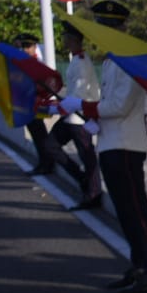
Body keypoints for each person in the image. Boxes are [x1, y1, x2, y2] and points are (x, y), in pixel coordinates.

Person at [76, 0, 147, 293]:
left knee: (137, 212)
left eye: (110, 27)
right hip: (112, 143)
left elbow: (119, 105)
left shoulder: (130, 58)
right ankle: (140, 266)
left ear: (121, 28)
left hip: (127, 146)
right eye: (102, 27)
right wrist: (94, 119)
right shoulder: (111, 59)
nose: (105, 33)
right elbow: (111, 106)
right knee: (125, 213)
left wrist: (83, 105)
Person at [48, 22, 104, 211]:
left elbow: (79, 93)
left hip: (79, 117)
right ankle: (82, 180)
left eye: (65, 36)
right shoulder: (76, 59)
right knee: (51, 145)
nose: (62, 39)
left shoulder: (81, 62)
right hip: (71, 116)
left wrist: (59, 108)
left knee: (88, 157)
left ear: (72, 40)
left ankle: (94, 194)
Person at [14, 33, 63, 177]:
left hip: (36, 103)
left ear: (35, 47)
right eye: (23, 46)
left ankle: (46, 164)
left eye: (28, 46)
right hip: (27, 104)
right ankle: (43, 163)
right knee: (36, 135)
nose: (25, 50)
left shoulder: (37, 63)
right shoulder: (24, 62)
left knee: (40, 135)